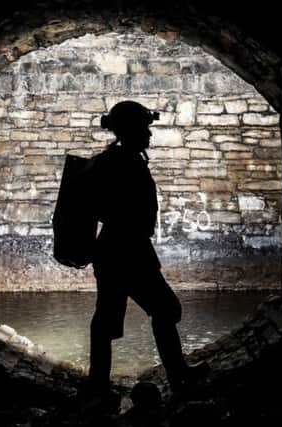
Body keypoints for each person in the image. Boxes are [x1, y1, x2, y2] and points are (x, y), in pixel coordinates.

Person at [85, 101, 207, 403]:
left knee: (106, 320)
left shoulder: (115, 160)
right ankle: (178, 378)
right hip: (129, 251)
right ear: (131, 130)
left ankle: (98, 386)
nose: (150, 135)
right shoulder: (121, 161)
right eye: (145, 129)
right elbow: (104, 207)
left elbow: (96, 206)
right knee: (165, 310)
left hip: (115, 250)